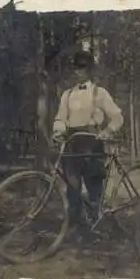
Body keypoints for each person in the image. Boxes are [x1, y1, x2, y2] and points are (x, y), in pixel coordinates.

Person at [52, 50, 124, 225]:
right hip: (72, 144)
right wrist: (58, 130)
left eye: (82, 67)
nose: (78, 71)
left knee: (94, 187)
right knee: (72, 188)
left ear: (90, 70)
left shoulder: (99, 93)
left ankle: (97, 224)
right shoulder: (67, 94)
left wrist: (107, 131)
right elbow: (60, 118)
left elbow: (117, 117)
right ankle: (75, 227)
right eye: (75, 67)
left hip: (92, 144)